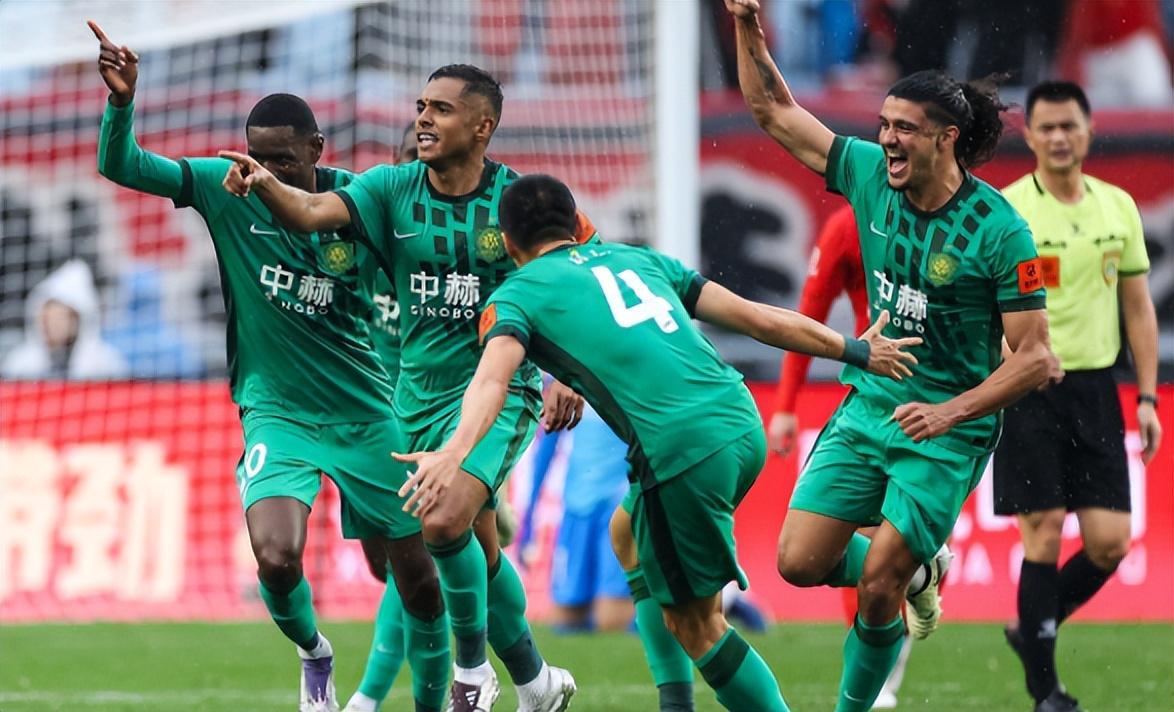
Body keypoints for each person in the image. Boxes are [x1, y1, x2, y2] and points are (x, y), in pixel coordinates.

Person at [395, 173, 922, 712]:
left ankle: (895, 565)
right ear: (576, 224)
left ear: (508, 244)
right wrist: (854, 349)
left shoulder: (516, 295)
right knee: (626, 533)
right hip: (740, 419)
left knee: (698, 626)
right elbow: (755, 316)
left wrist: (454, 451)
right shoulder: (639, 261)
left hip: (680, 452)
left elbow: (491, 381)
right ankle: (913, 566)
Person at [87, 21, 448, 712]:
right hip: (276, 411)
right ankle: (315, 654)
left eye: (282, 160)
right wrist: (122, 102)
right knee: (277, 558)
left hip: (367, 411)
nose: (265, 173)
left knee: (418, 583)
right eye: (257, 158)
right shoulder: (227, 190)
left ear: (317, 149)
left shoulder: (362, 201)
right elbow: (123, 165)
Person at [724, 2, 1061, 710]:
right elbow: (773, 111)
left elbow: (1035, 358)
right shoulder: (870, 174)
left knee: (877, 585)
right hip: (870, 407)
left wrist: (949, 413)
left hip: (947, 431)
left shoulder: (1002, 232)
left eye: (903, 128)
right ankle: (921, 571)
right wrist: (747, 23)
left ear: (946, 138)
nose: (886, 139)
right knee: (797, 562)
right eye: (883, 125)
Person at [219, 64, 586, 712]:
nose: (423, 118)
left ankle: (459, 678)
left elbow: (582, 273)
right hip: (406, 406)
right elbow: (311, 215)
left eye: (439, 109)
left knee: (442, 529)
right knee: (447, 559)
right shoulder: (383, 206)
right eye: (420, 106)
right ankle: (534, 682)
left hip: (491, 394)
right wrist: (266, 183)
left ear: (481, 126)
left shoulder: (515, 202)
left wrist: (570, 372)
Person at [995, 81, 1163, 712]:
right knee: (1041, 532)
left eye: (1070, 126)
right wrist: (1010, 365)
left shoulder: (1118, 208)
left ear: (1089, 132)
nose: (1059, 137)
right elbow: (987, 306)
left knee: (1109, 543)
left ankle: (1030, 628)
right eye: (1047, 127)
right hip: (1031, 388)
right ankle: (1046, 691)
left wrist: (1147, 398)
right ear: (1029, 135)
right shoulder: (1010, 211)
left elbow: (1138, 309)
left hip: (1096, 390)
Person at [769, 203, 917, 711]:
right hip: (875, 400)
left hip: (944, 407)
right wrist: (785, 405)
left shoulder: (964, 222)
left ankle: (883, 669)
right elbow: (807, 315)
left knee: (889, 552)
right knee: (852, 545)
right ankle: (882, 669)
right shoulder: (847, 227)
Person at [520, 402, 633, 633]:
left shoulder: (637, 382)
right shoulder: (569, 384)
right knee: (565, 620)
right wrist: (528, 517)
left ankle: (648, 623)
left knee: (612, 620)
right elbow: (547, 446)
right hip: (577, 506)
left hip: (619, 508)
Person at [1, 259, 129, 380]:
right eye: (45, 319)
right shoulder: (20, 363)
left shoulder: (104, 363)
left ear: (76, 320)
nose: (49, 326)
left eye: (57, 319)